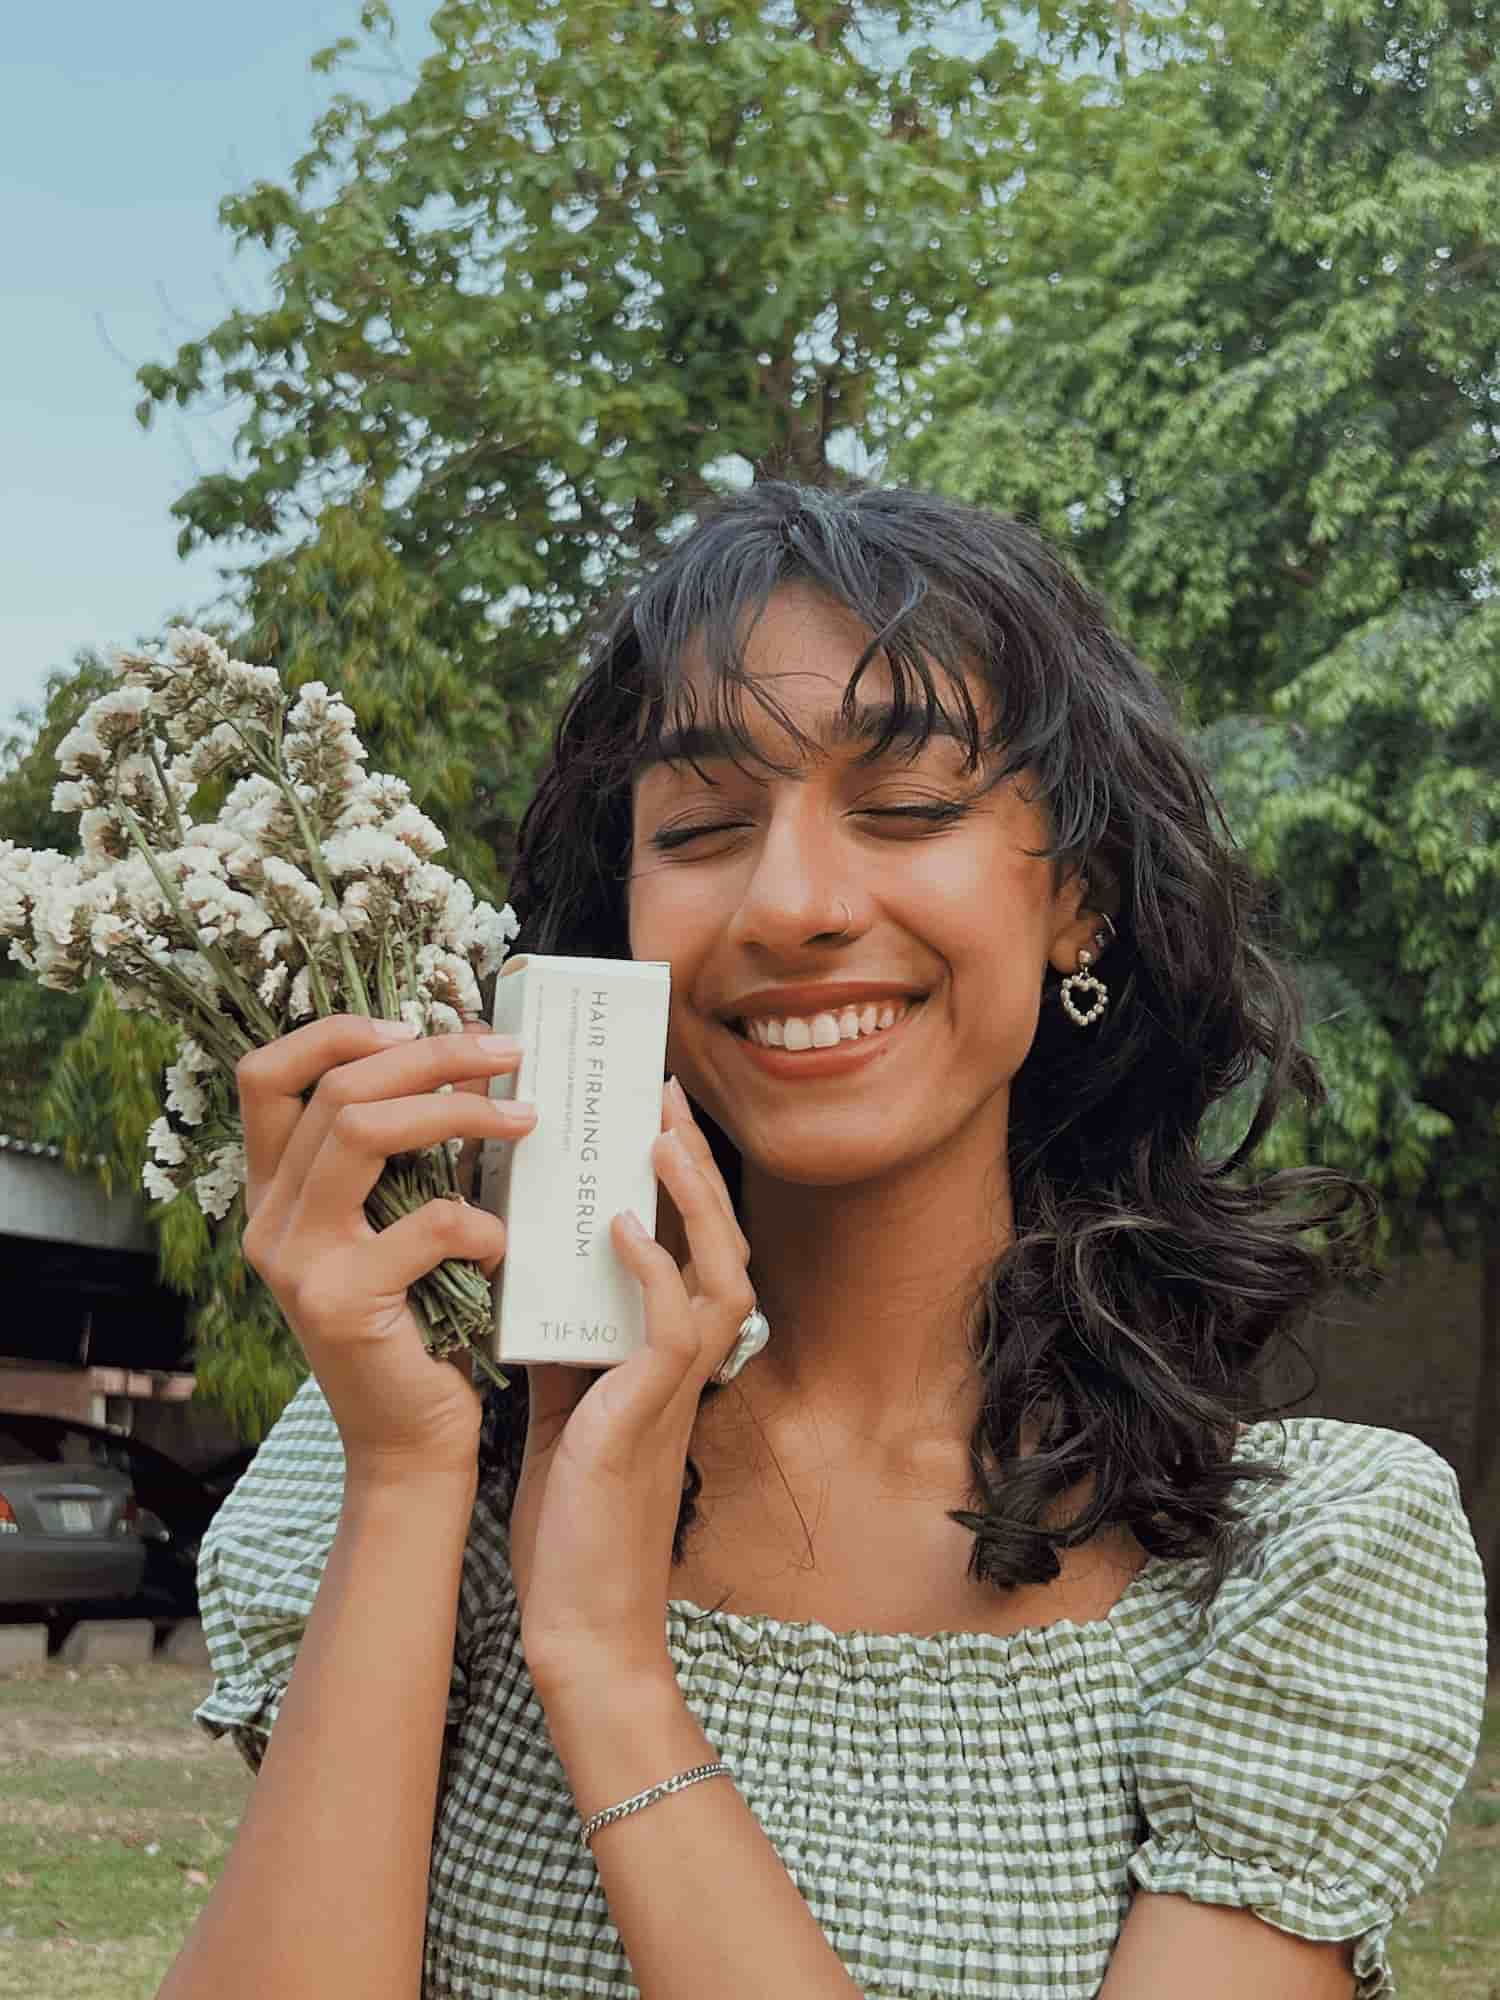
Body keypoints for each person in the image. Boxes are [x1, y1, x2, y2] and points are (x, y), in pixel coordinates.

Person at [156, 482, 1488, 2000]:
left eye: (910, 808)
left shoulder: (1307, 1557)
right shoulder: (412, 1463)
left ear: (1084, 901)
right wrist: (403, 1474)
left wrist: (605, 1665)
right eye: (705, 826)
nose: (790, 904)